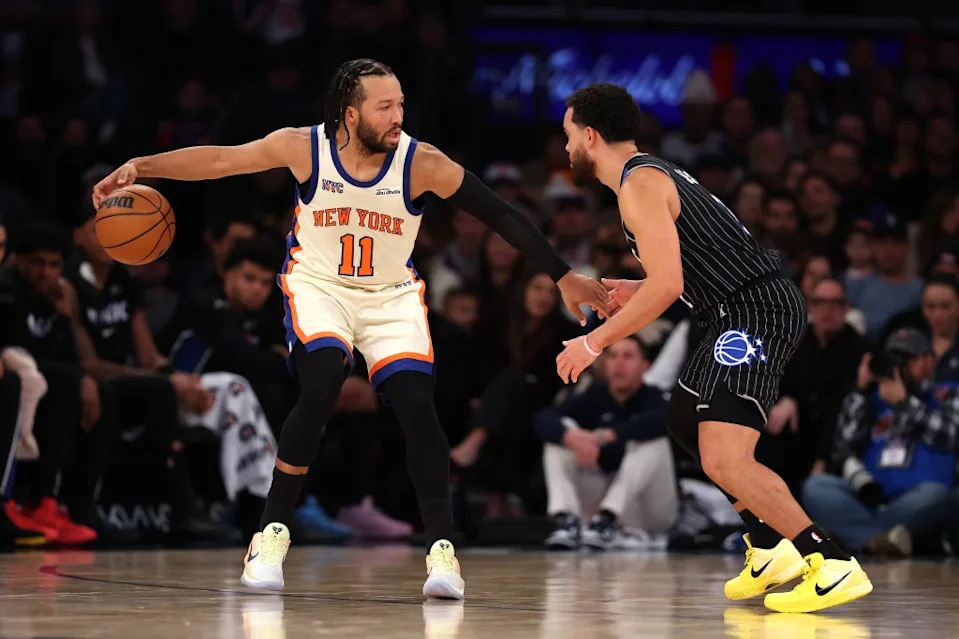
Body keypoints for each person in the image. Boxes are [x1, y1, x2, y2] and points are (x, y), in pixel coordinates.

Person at [92, 58, 607, 600]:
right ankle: (270, 536)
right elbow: (222, 159)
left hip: (389, 295)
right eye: (385, 107)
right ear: (349, 112)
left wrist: (563, 274)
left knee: (414, 401)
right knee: (322, 383)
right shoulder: (302, 148)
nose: (397, 117)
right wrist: (141, 165)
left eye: (401, 105)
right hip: (319, 286)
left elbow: (499, 212)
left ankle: (442, 555)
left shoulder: (419, 161)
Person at [554, 83, 871, 613]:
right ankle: (769, 548)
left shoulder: (639, 187)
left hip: (755, 311)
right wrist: (635, 290)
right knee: (682, 417)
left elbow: (667, 286)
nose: (564, 149)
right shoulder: (652, 173)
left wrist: (593, 343)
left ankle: (830, 560)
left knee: (725, 457)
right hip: (733, 309)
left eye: (567, 136)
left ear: (590, 136)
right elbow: (683, 270)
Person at [535, 336, 677, 551]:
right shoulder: (594, 396)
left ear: (645, 366)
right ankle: (565, 519)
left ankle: (607, 518)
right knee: (561, 434)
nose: (619, 363)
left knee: (652, 442)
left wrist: (607, 436)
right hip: (595, 503)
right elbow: (543, 419)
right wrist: (573, 438)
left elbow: (665, 421)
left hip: (647, 512)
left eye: (628, 356)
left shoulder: (655, 397)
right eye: (613, 356)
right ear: (604, 364)